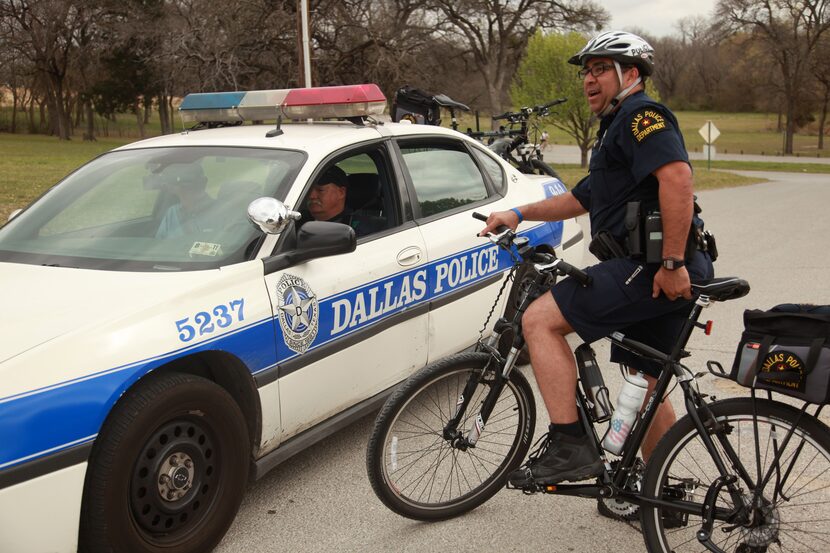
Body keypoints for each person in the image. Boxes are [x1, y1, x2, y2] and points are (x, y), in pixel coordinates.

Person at [478, 31, 714, 488]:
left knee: (539, 321)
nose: (589, 78)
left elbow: (678, 182)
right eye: (587, 70)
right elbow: (581, 197)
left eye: (600, 68)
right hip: (661, 267)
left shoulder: (642, 117)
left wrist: (669, 264)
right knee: (645, 381)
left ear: (631, 74)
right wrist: (518, 213)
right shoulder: (615, 128)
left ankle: (570, 445)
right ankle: (655, 490)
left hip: (654, 268)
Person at [155, 163, 216, 238]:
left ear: (204, 182)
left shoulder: (223, 210)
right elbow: (159, 244)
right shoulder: (171, 213)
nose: (188, 187)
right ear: (170, 188)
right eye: (182, 183)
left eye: (191, 181)